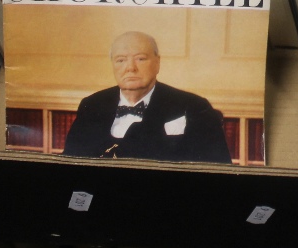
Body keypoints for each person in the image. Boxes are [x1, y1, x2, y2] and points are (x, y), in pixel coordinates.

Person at [61, 31, 233, 164]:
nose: (130, 68)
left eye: (141, 59)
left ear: (157, 63)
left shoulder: (193, 106)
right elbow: (71, 163)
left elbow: (218, 170)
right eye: (120, 60)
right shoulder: (92, 105)